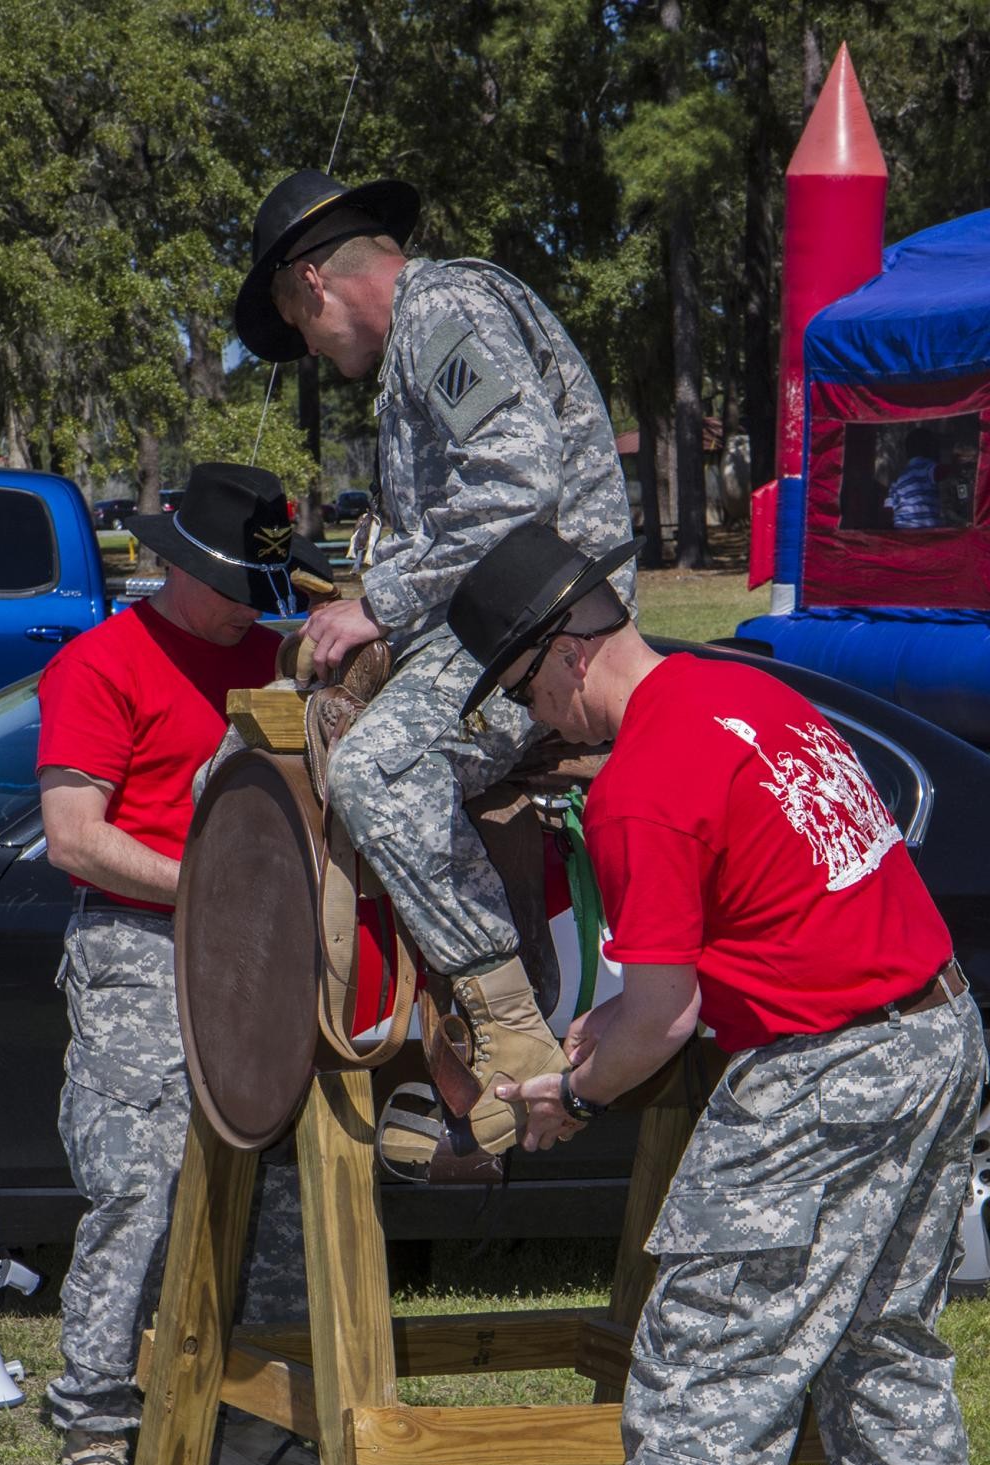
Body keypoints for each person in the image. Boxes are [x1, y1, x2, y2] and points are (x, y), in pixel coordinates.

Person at [444, 519, 989, 1465]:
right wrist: (620, 1030)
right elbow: (709, 946)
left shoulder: (642, 783)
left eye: (527, 688)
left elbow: (666, 1013)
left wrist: (571, 1095)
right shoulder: (737, 691)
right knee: (882, 1340)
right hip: (935, 1024)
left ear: (567, 655)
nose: (540, 717)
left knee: (703, 1343)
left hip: (823, 1064)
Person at [235, 169, 637, 1171]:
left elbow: (515, 479)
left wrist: (382, 601)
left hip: (543, 634)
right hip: (516, 620)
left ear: (311, 285)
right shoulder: (433, 328)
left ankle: (503, 1022)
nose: (322, 359)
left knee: (380, 771)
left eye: (301, 328)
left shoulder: (441, 309)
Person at [38, 463, 332, 1465]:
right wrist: (211, 887)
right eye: (237, 578)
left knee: (289, 1194)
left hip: (263, 951)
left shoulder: (280, 666)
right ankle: (97, 1438)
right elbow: (75, 835)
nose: (256, 601)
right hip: (142, 941)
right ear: (178, 564)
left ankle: (258, 1433)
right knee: (141, 1185)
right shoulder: (99, 663)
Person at [886, 426, 943, 528]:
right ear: (928, 448)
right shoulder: (925, 466)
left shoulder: (898, 479)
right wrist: (956, 467)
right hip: (925, 531)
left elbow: (889, 508)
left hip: (903, 531)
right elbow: (939, 472)